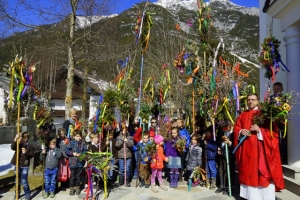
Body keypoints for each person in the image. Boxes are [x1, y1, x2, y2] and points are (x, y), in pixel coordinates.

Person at [233, 93, 285, 200]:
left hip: (261, 151)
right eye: (249, 100)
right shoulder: (242, 115)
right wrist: (241, 131)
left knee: (262, 174)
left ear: (258, 101)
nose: (250, 101)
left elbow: (273, 133)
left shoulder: (265, 114)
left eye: (253, 99)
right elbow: (236, 128)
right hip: (247, 152)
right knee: (249, 173)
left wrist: (259, 130)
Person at [11, 132, 35, 200]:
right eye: (19, 138)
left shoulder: (30, 146)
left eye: (21, 138)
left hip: (25, 165)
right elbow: (12, 147)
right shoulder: (18, 144)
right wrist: (15, 139)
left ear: (26, 138)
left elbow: (31, 155)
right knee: (16, 180)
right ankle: (17, 193)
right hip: (17, 164)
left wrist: (26, 153)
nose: (19, 139)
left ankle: (27, 193)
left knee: (24, 181)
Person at [65, 130, 87, 196]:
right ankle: (71, 188)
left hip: (80, 162)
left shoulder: (83, 143)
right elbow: (67, 150)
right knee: (72, 176)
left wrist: (82, 154)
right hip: (73, 162)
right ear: (74, 137)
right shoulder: (71, 143)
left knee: (78, 176)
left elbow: (85, 151)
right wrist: (73, 153)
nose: (79, 137)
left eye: (80, 136)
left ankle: (77, 188)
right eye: (77, 136)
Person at [215, 125, 235, 195]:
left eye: (227, 127)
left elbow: (236, 144)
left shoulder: (234, 133)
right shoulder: (223, 133)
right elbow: (219, 141)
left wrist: (230, 143)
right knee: (221, 170)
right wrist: (219, 147)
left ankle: (229, 187)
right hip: (222, 154)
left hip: (230, 155)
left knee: (229, 171)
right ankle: (222, 185)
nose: (225, 128)